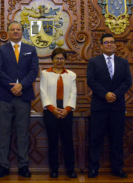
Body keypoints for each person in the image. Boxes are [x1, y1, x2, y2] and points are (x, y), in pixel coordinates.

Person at [0, 21, 39, 178]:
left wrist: (22, 86)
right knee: (4, 132)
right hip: (5, 96)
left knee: (22, 132)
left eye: (18, 29)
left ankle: (23, 166)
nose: (15, 32)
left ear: (22, 32)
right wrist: (12, 86)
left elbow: (33, 72)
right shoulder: (1, 50)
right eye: (12, 29)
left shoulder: (30, 50)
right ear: (8, 32)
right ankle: (3, 166)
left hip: (23, 96)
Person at [86, 33, 132, 178]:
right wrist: (105, 94)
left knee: (117, 139)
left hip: (117, 107)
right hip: (99, 106)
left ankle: (117, 168)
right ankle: (93, 168)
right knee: (96, 139)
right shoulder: (93, 62)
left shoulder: (123, 62)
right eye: (106, 42)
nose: (109, 44)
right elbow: (91, 81)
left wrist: (115, 95)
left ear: (115, 45)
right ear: (101, 45)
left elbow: (127, 82)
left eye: (112, 42)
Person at [40, 47, 77, 178]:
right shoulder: (45, 73)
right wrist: (53, 109)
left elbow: (73, 94)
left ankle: (70, 169)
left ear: (65, 60)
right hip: (51, 111)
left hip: (66, 111)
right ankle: (54, 169)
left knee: (68, 141)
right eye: (57, 58)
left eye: (62, 58)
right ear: (52, 59)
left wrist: (66, 110)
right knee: (53, 141)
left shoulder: (71, 75)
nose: (59, 60)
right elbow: (43, 93)